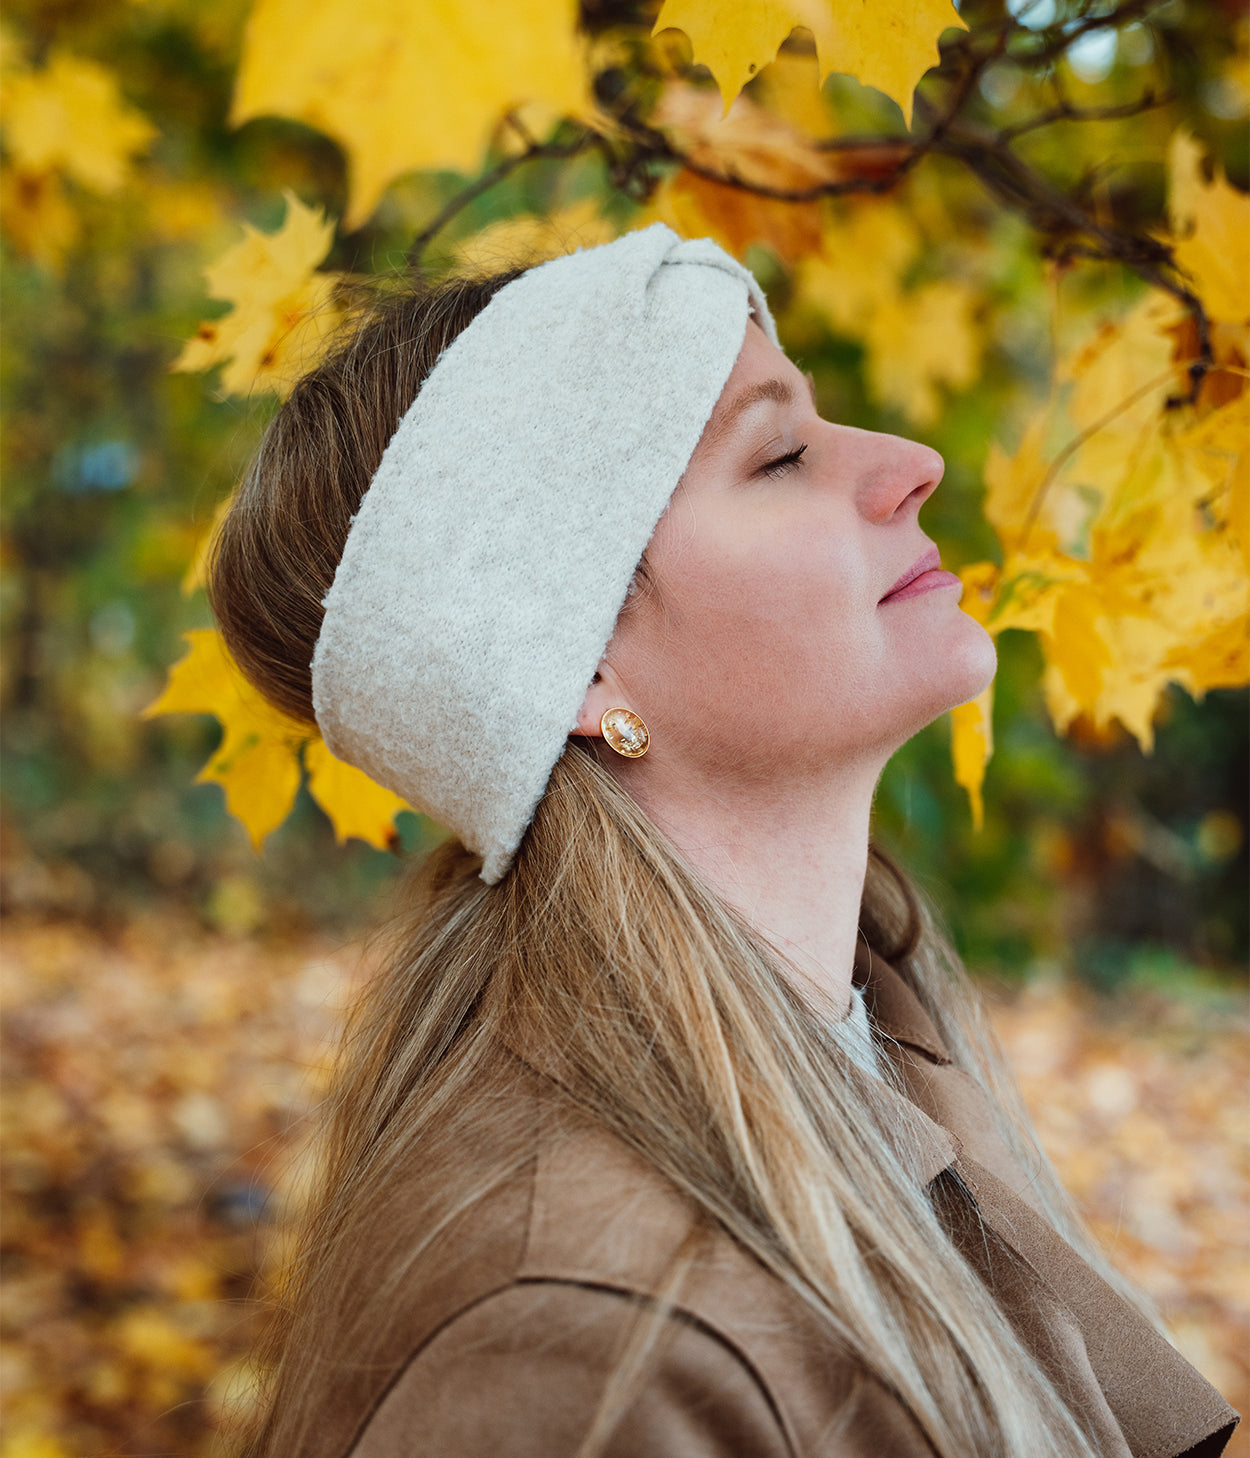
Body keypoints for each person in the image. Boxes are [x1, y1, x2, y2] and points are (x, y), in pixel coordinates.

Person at [208, 226, 1236, 1458]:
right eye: (781, 455)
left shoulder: (867, 1020)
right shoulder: (569, 1349)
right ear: (573, 662)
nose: (911, 463)